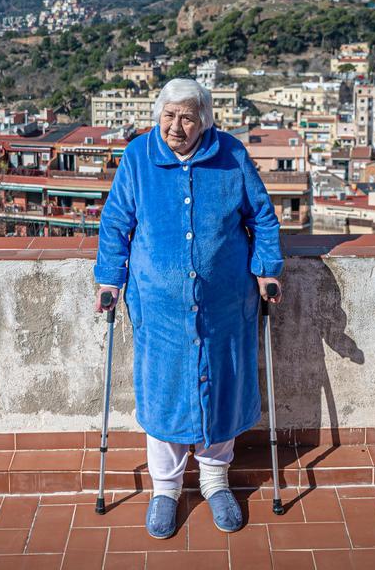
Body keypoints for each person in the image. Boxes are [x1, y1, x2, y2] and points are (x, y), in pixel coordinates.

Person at [93, 77, 284, 538]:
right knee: (163, 394)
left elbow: (261, 215)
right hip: (158, 308)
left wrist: (268, 268)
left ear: (205, 120)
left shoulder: (231, 154)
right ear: (157, 115)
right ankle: (166, 488)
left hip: (224, 306)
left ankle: (216, 481)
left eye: (186, 116)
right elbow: (117, 221)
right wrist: (108, 280)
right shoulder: (138, 156)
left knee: (222, 388)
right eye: (168, 115)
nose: (176, 126)